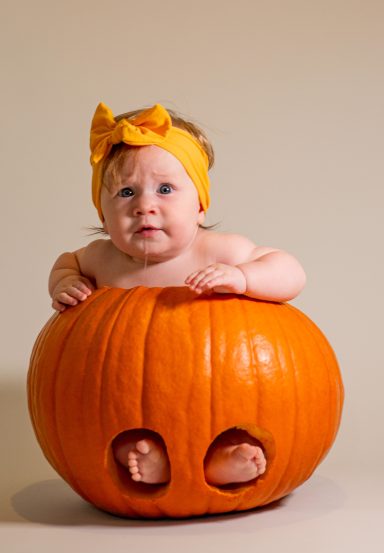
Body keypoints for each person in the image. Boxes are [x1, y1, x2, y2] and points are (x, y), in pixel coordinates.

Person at [49, 102, 306, 488]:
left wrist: (242, 277)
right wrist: (64, 282)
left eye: (165, 189)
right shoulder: (101, 260)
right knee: (118, 434)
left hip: (212, 388)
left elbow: (291, 272)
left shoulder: (217, 251)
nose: (144, 206)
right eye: (125, 192)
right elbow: (66, 262)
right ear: (103, 215)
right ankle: (155, 463)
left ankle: (218, 463)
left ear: (200, 205)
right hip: (128, 395)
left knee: (229, 427)